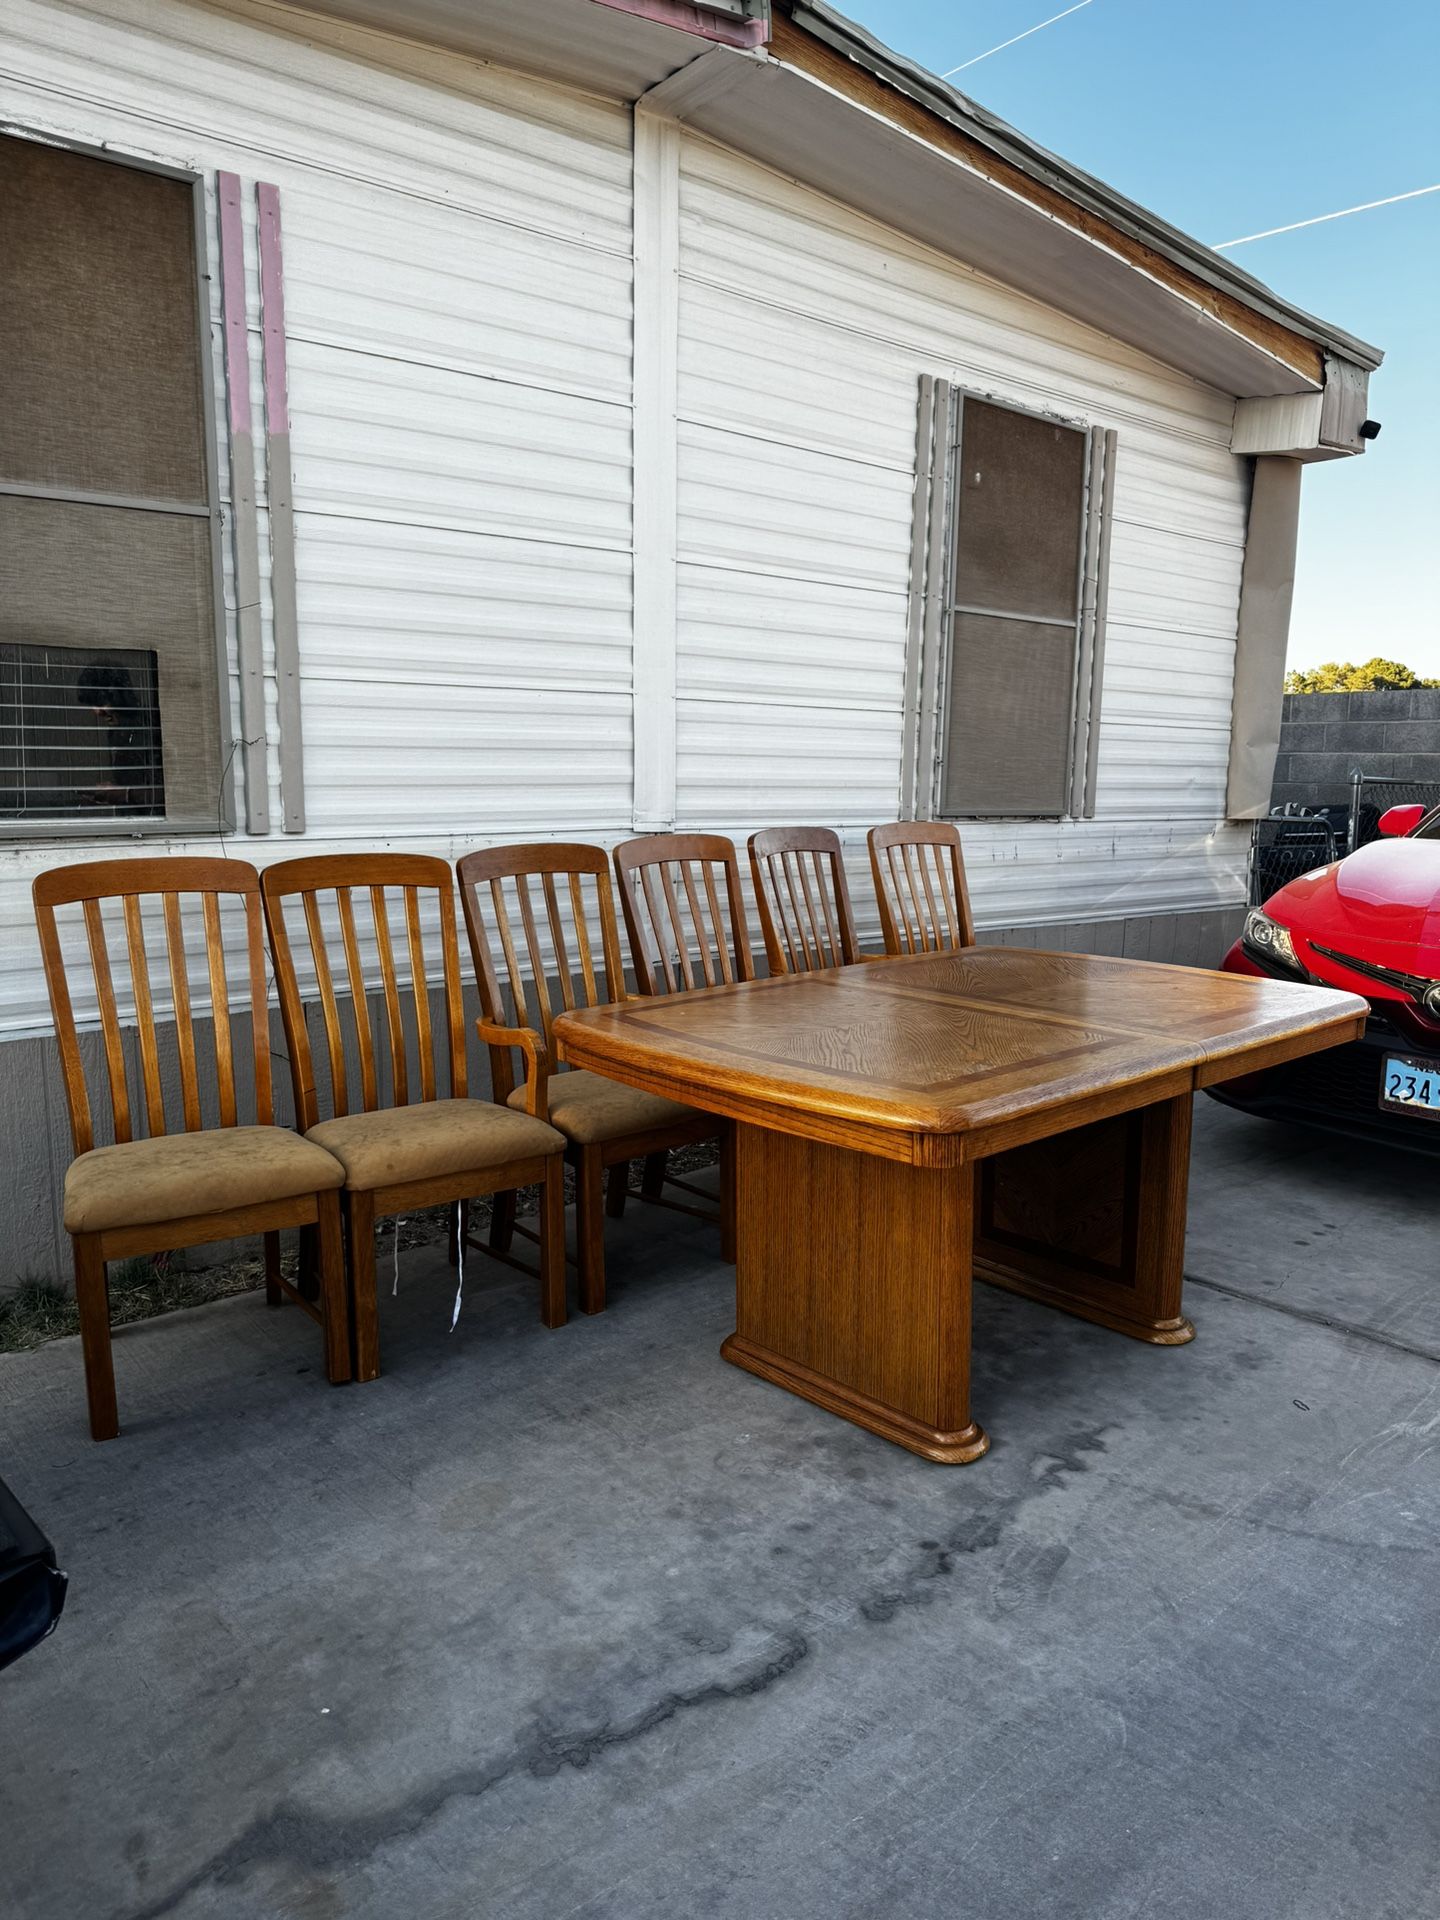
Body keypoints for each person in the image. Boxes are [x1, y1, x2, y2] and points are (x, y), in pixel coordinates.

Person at [75, 660, 164, 812]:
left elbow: (170, 793)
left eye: (101, 702)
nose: (96, 712)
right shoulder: (115, 732)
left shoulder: (152, 726)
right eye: (93, 704)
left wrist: (124, 794)